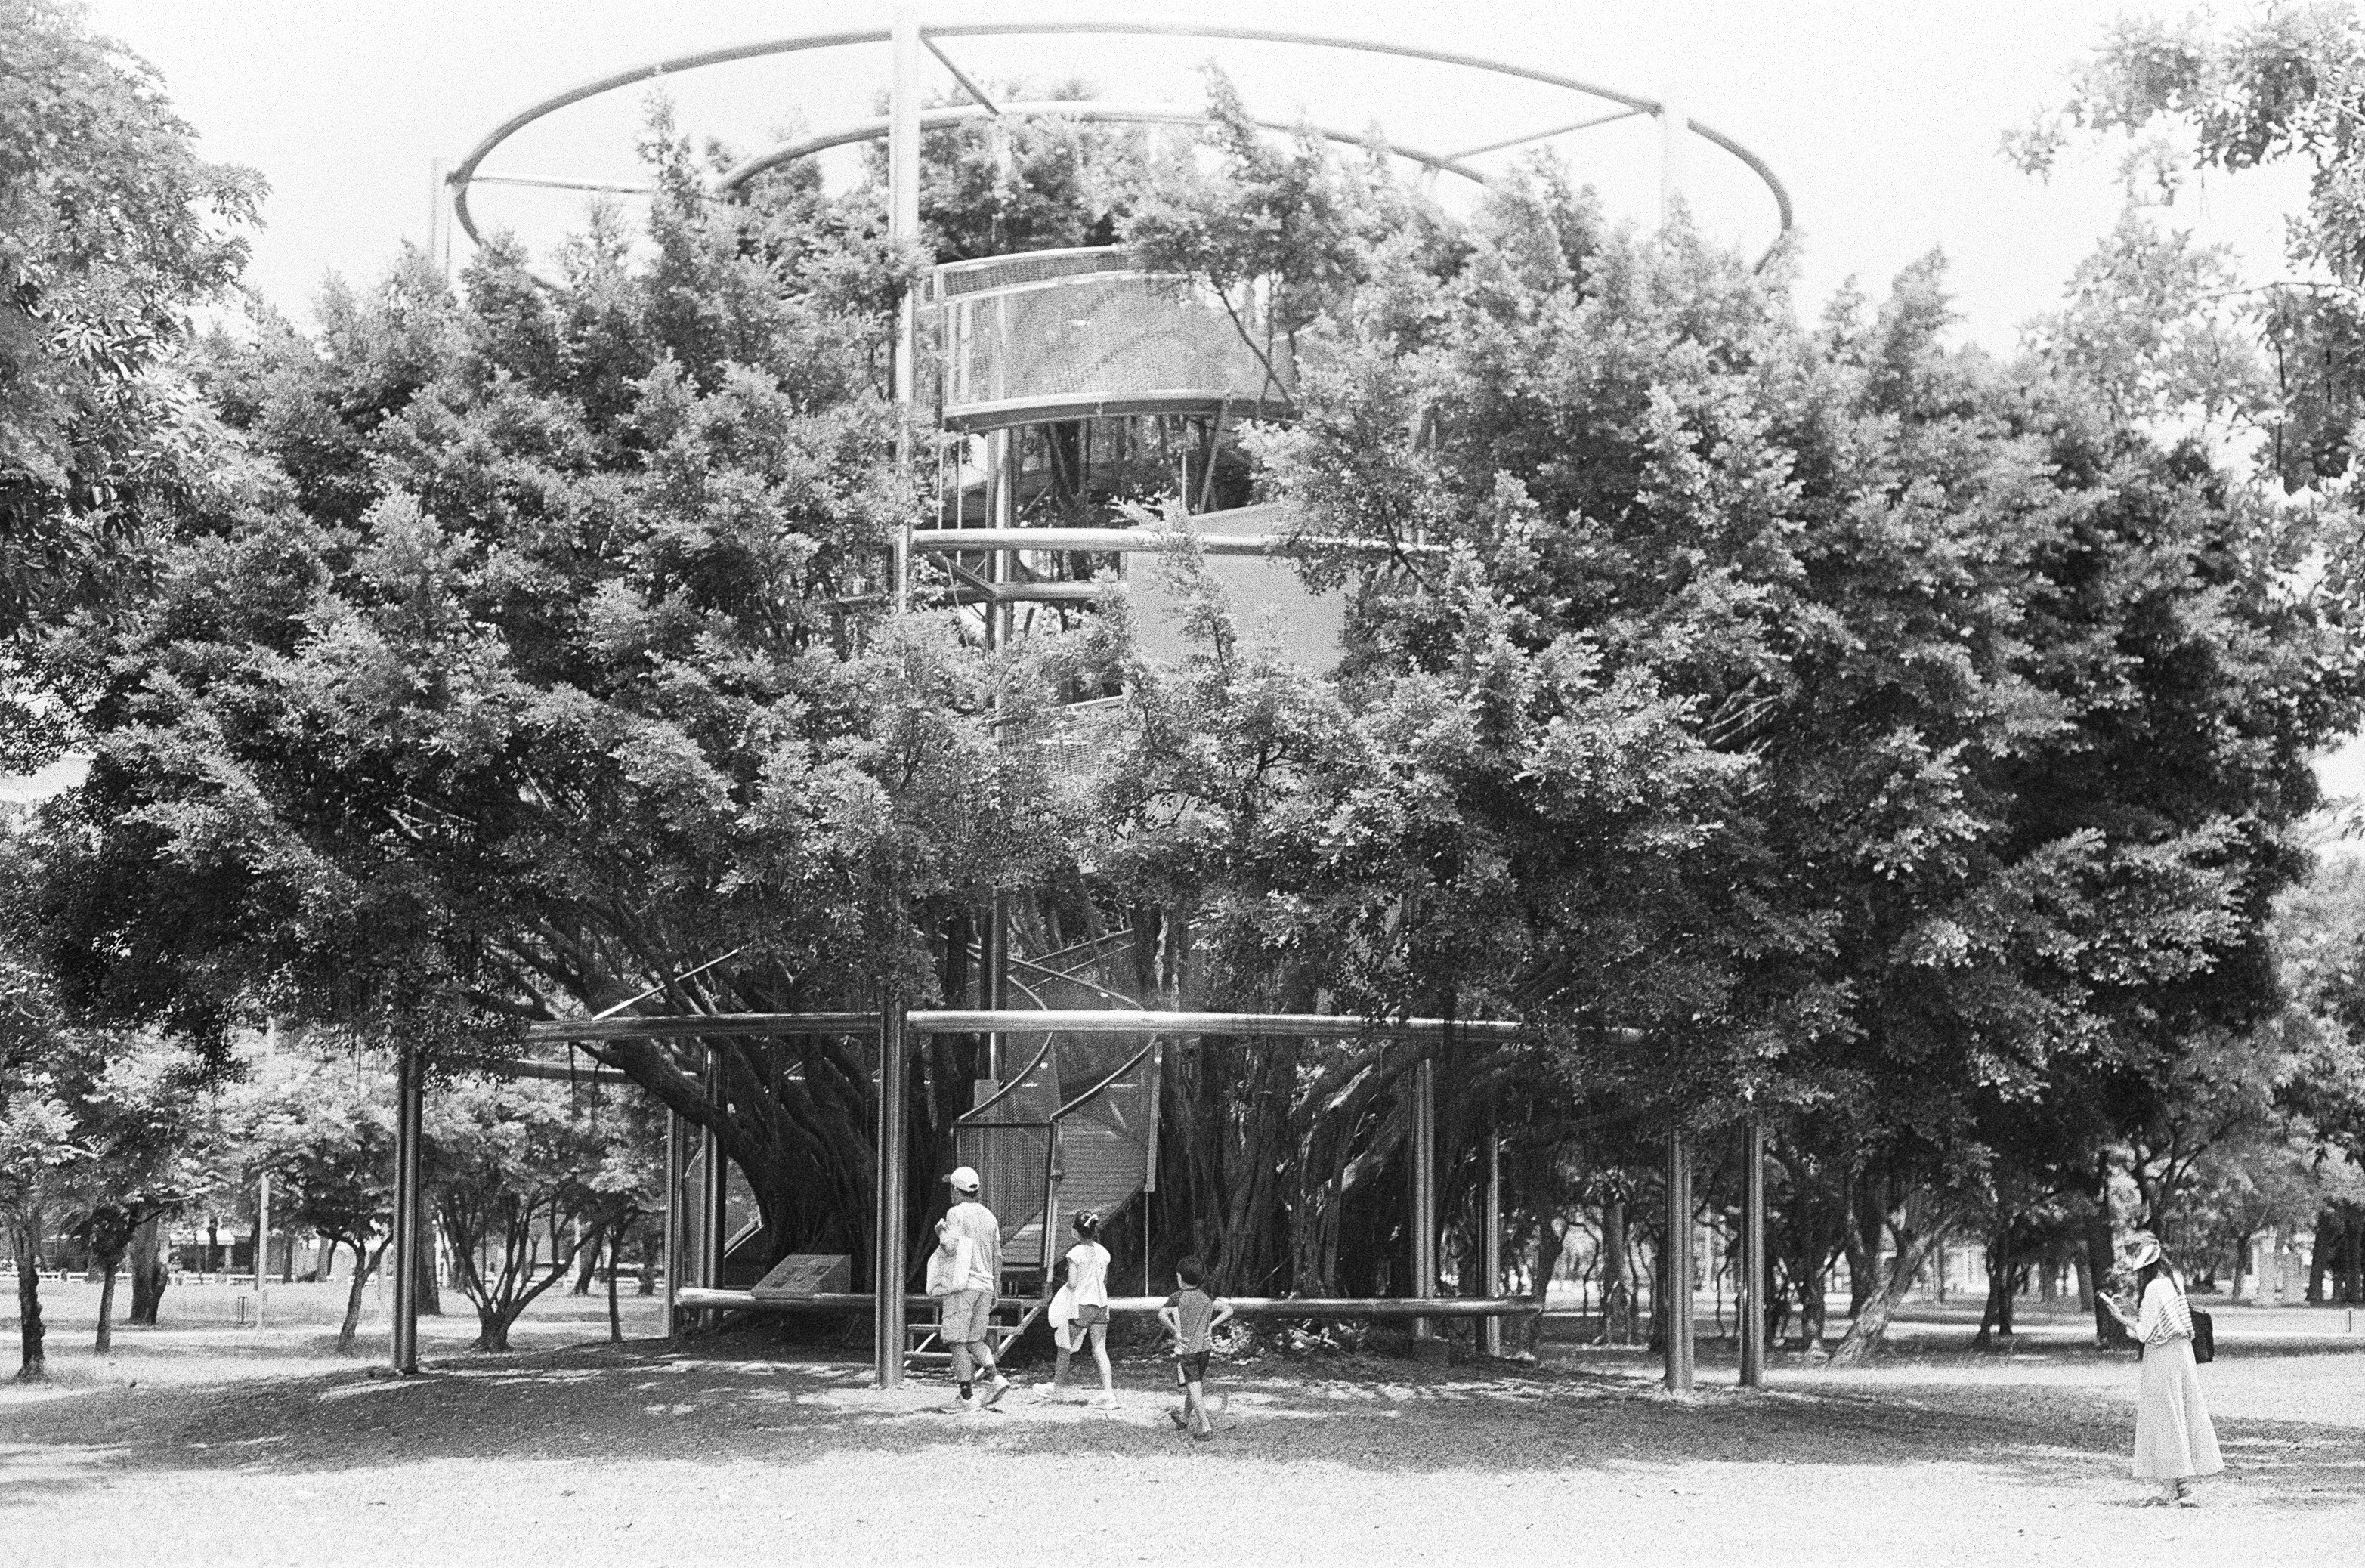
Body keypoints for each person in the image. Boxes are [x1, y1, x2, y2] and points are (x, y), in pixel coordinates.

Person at [2098, 1232, 2221, 1505]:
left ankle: (2170, 1488)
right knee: (2183, 1412)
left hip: (2162, 1356)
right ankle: (2183, 1485)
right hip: (2182, 1353)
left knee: (2164, 1417)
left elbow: (2144, 1332)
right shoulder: (2172, 1280)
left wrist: (2120, 1317)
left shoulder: (2153, 1288)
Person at [938, 1165, 1010, 1412]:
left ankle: (966, 1396)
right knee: (975, 1339)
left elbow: (950, 1248)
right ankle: (995, 1377)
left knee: (957, 1341)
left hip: (963, 1285)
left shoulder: (955, 1213)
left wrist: (941, 1233)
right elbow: (997, 1255)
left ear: (956, 1190)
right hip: (986, 1285)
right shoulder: (990, 1217)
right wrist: (997, 1287)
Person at [1040, 1211, 1117, 1409]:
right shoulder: (1104, 1253)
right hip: (1102, 1305)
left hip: (1082, 1305)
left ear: (1075, 1231)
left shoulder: (1074, 1254)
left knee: (1065, 1346)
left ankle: (1057, 1388)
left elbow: (1073, 1284)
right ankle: (1109, 1394)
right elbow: (1104, 1281)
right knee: (1100, 1349)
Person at [1158, 1254, 1232, 1440]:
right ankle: (1184, 1418)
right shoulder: (1207, 1297)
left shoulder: (1177, 1297)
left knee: (1194, 1386)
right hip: (1204, 1348)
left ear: (1179, 1277)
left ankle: (1206, 1427)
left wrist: (1175, 1331)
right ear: (1201, 1279)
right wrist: (1212, 1325)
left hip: (1186, 1349)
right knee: (1195, 1384)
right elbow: (1229, 1310)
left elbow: (1161, 1315)